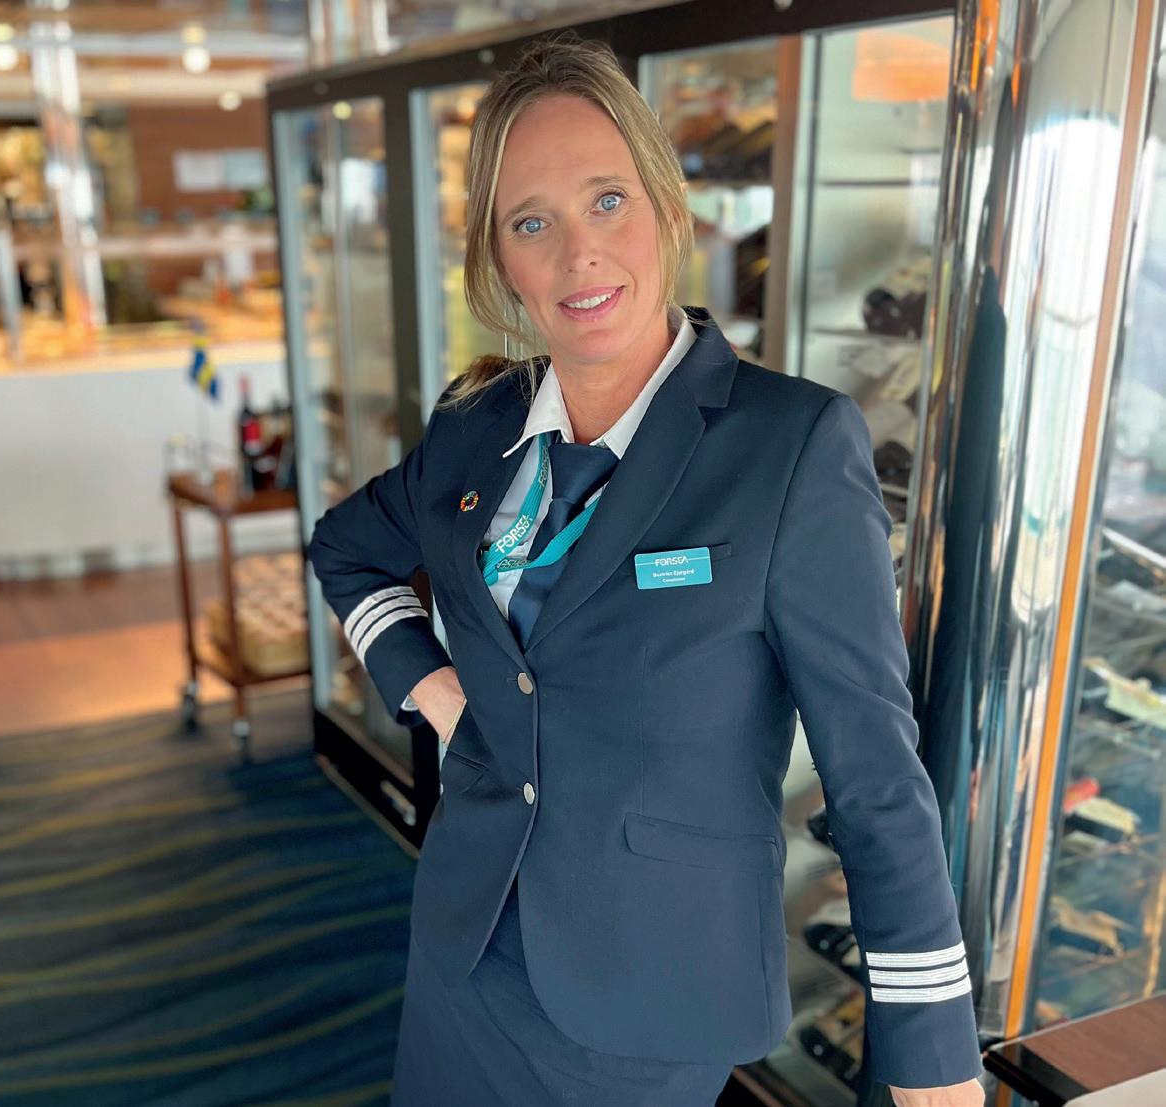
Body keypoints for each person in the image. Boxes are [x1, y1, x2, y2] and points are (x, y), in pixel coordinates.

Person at [307, 31, 984, 1107]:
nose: (578, 254)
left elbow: (873, 773)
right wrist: (430, 689)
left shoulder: (790, 446)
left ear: (669, 208)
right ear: (498, 258)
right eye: (532, 222)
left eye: (608, 201)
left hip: (650, 985)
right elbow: (344, 550)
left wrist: (934, 1059)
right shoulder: (478, 429)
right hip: (466, 943)